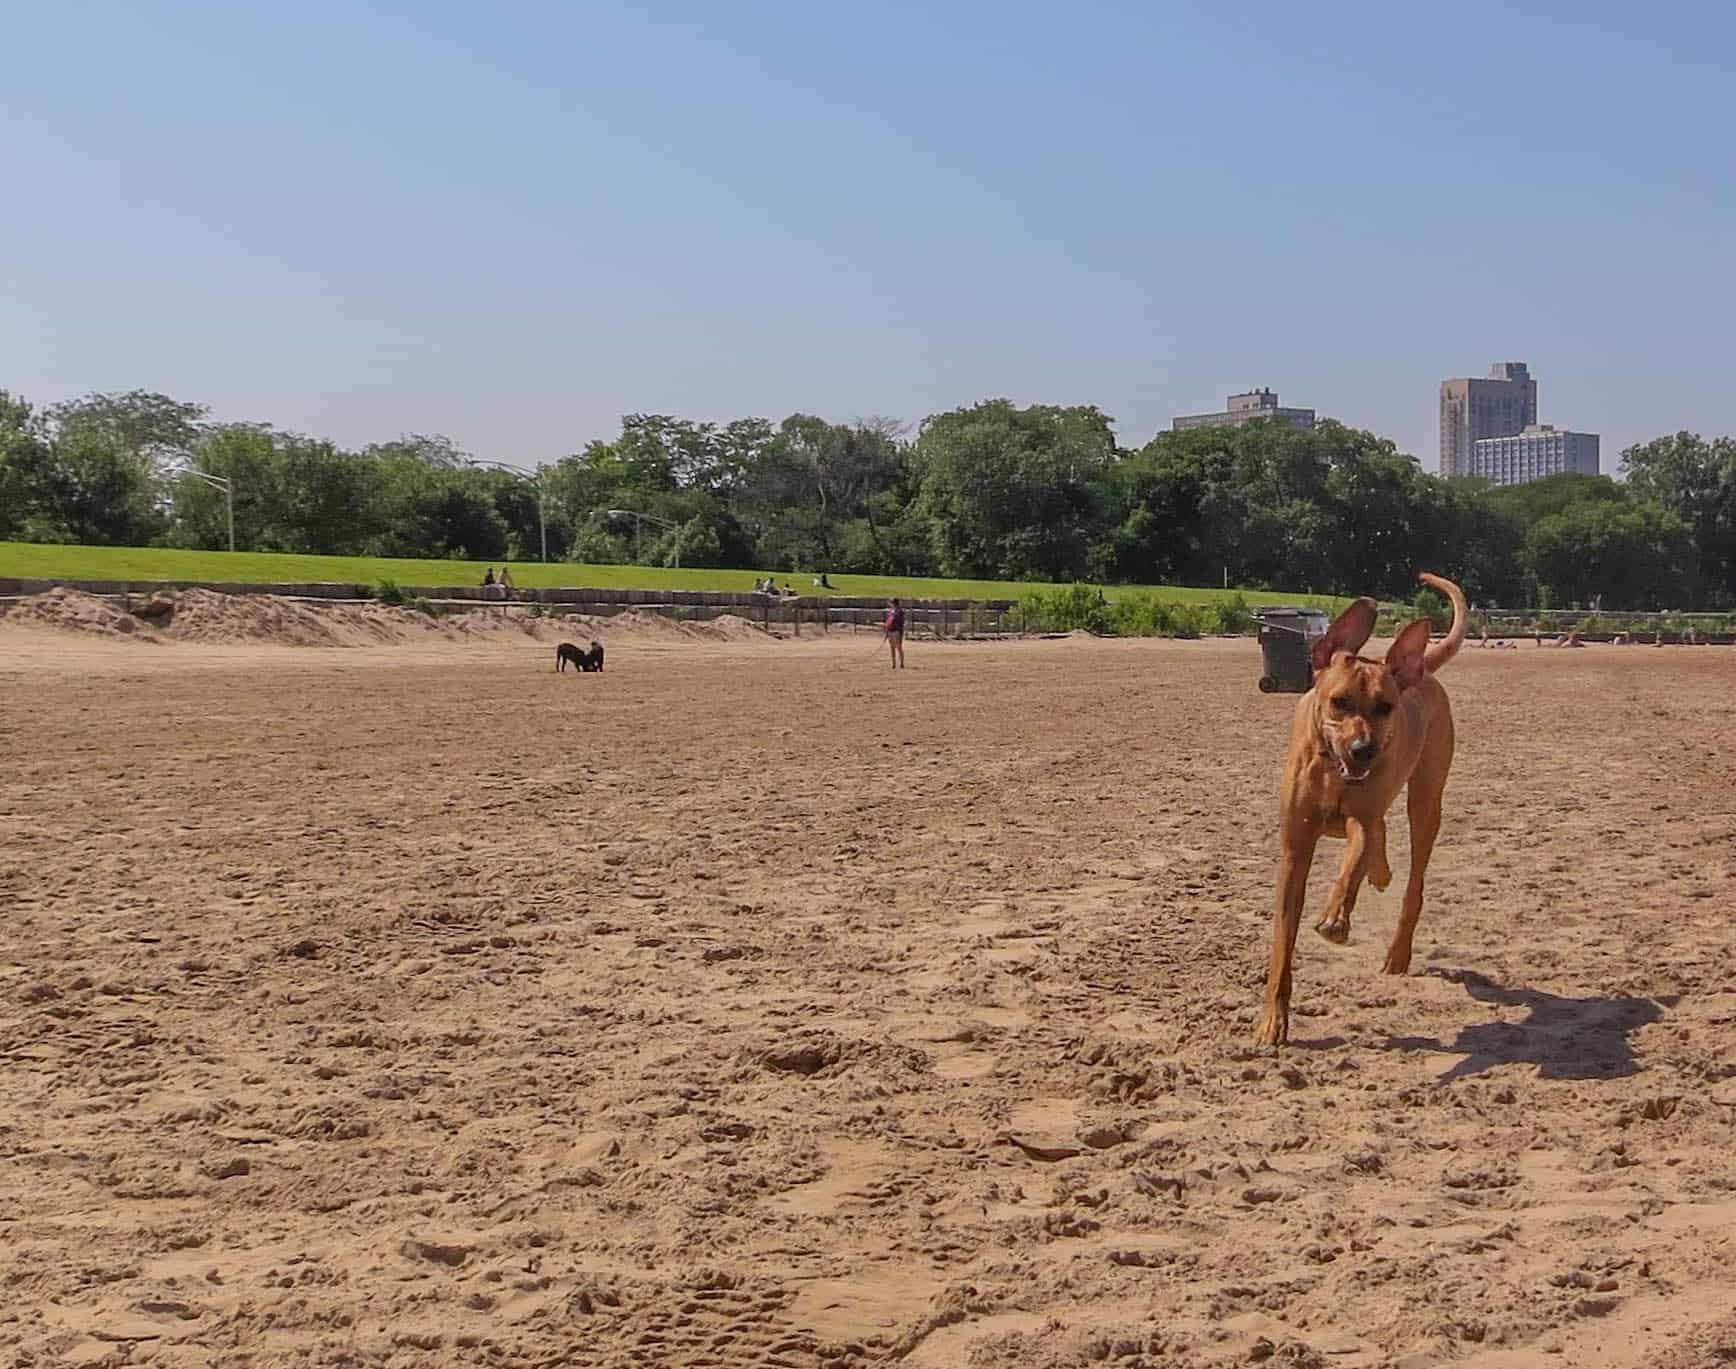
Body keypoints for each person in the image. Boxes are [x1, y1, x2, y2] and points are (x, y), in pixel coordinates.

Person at [884, 596, 905, 670]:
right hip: (891, 631)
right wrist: (887, 630)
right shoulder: (891, 611)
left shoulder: (899, 611)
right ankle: (894, 663)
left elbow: (900, 623)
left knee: (898, 647)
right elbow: (888, 621)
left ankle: (901, 663)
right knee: (892, 647)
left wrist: (899, 632)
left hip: (896, 631)